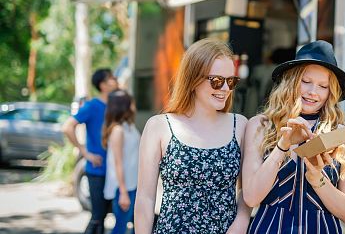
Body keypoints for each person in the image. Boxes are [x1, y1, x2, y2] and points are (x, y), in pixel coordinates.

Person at [134, 38, 251, 233]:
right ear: (193, 79)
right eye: (216, 81)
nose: (225, 89)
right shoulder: (159, 126)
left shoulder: (240, 125)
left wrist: (240, 225)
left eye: (231, 81)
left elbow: (246, 192)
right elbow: (145, 198)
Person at [242, 40, 345, 233]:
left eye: (323, 86)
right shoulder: (260, 125)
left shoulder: (344, 133)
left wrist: (316, 179)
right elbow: (251, 198)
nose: (313, 92)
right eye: (306, 82)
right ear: (291, 81)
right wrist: (282, 146)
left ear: (331, 91)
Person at [62, 68, 118, 234]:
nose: (115, 80)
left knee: (104, 216)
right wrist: (84, 152)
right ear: (102, 85)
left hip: (114, 171)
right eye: (111, 78)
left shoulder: (116, 106)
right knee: (97, 217)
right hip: (97, 170)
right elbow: (67, 127)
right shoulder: (92, 106)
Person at [102, 89, 140, 234]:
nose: (134, 107)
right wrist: (123, 192)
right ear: (124, 106)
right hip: (124, 188)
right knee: (120, 227)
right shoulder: (118, 130)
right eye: (131, 104)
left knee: (132, 225)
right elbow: (117, 162)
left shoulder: (129, 127)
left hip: (134, 184)